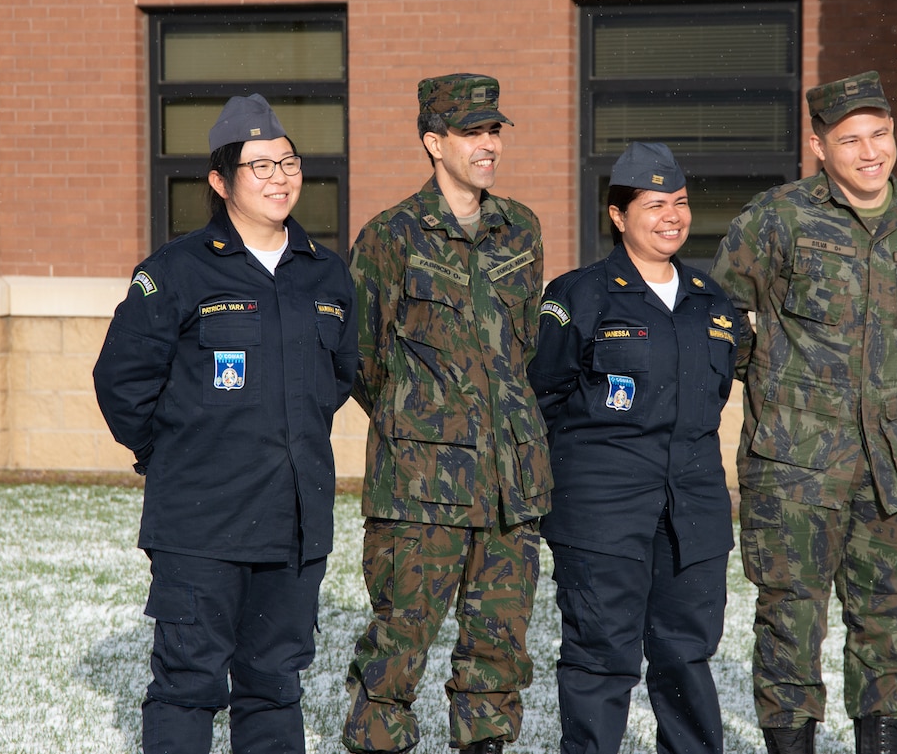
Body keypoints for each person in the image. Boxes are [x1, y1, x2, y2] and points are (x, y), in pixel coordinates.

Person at [92, 93, 359, 754]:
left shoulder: (325, 275)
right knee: (188, 684)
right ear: (220, 180)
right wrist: (173, 451)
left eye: (288, 162)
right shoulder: (177, 270)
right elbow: (121, 381)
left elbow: (340, 377)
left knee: (274, 685)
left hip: (293, 525)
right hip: (200, 526)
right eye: (259, 165)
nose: (279, 177)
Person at [709, 71, 897, 754]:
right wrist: (770, 372)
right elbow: (717, 310)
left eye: (880, 133)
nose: (870, 151)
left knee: (890, 622)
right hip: (795, 468)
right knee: (791, 622)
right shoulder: (778, 218)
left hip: (891, 463)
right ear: (820, 146)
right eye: (850, 139)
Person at [342, 73, 552, 754]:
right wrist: (424, 424)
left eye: (494, 129)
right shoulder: (390, 236)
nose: (488, 143)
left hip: (509, 486)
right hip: (419, 488)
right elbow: (361, 358)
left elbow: (521, 349)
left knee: (498, 651)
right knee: (396, 648)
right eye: (471, 132)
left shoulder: (520, 227)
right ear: (434, 142)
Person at [527, 142, 747, 754]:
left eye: (679, 202)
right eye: (655, 205)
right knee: (602, 657)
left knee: (687, 654)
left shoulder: (712, 300)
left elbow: (722, 388)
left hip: (693, 508)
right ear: (619, 216)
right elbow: (544, 393)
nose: (672, 216)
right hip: (602, 511)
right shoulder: (579, 296)